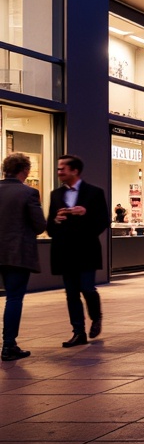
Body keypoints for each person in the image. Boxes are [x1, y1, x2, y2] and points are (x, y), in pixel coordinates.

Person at [47, 155, 110, 347]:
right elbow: (49, 227)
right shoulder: (55, 195)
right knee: (71, 293)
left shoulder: (94, 193)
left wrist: (85, 213)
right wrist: (57, 219)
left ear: (74, 171)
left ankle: (96, 316)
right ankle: (78, 332)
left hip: (86, 250)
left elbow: (103, 222)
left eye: (62, 169)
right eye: (58, 169)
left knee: (87, 288)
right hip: (64, 252)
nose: (59, 172)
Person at [0, 153, 47, 362]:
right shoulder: (28, 193)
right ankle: (8, 345)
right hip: (17, 254)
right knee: (14, 298)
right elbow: (39, 225)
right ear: (26, 170)